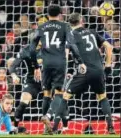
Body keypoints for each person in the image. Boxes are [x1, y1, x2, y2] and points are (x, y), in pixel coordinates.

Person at [29, 5, 86, 134]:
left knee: (47, 94)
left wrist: (36, 67)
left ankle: (46, 129)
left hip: (46, 64)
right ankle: (48, 116)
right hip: (60, 63)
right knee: (59, 93)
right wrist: (80, 62)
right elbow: (72, 45)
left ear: (47, 14)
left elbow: (32, 49)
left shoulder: (41, 27)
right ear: (60, 14)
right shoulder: (65, 26)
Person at [56, 13, 115, 134]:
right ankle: (110, 128)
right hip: (98, 70)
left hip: (83, 70)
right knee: (102, 97)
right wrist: (108, 65)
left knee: (65, 96)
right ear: (81, 21)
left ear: (69, 23)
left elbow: (65, 55)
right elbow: (109, 47)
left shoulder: (70, 35)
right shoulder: (92, 32)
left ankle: (54, 128)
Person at [9, 46, 41, 127]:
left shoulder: (49, 47)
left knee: (59, 99)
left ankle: (59, 127)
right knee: (23, 103)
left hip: (47, 80)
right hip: (31, 81)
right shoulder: (26, 50)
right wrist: (14, 76)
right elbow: (13, 65)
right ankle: (15, 127)